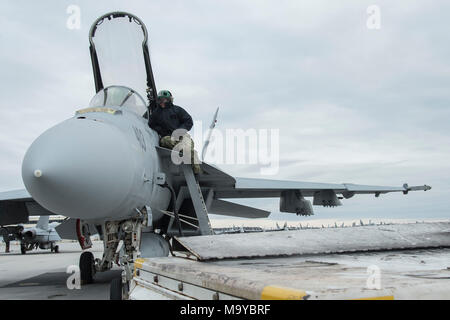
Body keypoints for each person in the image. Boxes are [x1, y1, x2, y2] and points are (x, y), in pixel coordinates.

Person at [148, 90, 201, 174]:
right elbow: (151, 124)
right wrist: (161, 131)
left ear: (169, 100)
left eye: (164, 99)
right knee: (167, 141)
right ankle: (186, 151)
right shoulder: (156, 114)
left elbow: (188, 121)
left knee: (189, 149)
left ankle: (197, 173)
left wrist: (179, 131)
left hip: (182, 135)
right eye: (160, 100)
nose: (162, 101)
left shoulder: (177, 110)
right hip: (168, 137)